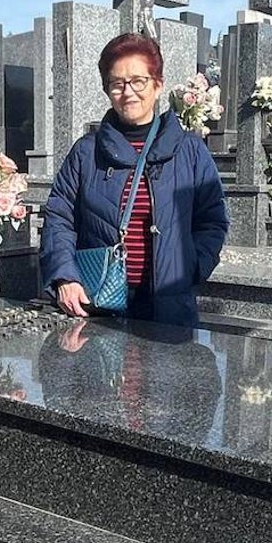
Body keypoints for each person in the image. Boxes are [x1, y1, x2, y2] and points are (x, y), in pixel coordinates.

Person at [40, 33, 228, 327]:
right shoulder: (86, 152)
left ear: (158, 84)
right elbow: (59, 217)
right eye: (117, 84)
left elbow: (212, 220)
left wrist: (191, 268)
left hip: (170, 305)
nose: (128, 92)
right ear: (107, 90)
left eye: (138, 81)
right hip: (98, 303)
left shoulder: (190, 151)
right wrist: (65, 276)